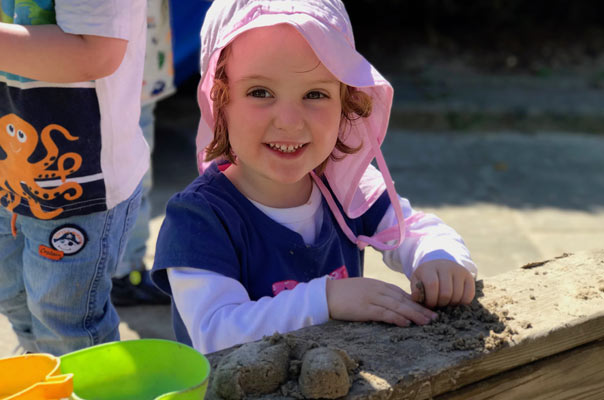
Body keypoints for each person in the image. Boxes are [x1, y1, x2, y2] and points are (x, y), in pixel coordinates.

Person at [152, 0, 477, 355]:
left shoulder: (347, 187)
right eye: (260, 92)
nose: (290, 121)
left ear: (347, 103)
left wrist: (438, 258)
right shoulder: (199, 219)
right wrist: (327, 298)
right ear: (220, 100)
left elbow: (413, 229)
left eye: (315, 94)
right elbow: (214, 332)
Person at [0, 0, 147, 355]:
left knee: (65, 321)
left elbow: (93, 54)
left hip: (79, 189)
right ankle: (45, 370)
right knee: (12, 295)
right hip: (10, 176)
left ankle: (81, 383)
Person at [111, 0, 175, 307]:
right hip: (122, 73)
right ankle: (125, 275)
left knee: (133, 179)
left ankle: (125, 270)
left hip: (141, 72)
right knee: (131, 180)